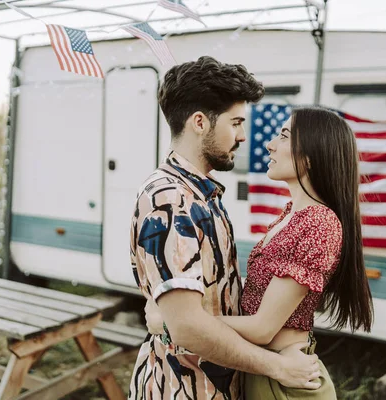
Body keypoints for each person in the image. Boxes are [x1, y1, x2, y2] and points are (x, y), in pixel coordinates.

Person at [128, 56, 322, 400]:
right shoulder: (171, 201)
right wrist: (276, 367)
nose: (244, 136)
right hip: (185, 388)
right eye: (235, 123)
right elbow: (186, 326)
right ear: (200, 122)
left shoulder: (202, 194)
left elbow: (217, 303)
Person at [218, 107, 374, 398]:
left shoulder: (319, 222)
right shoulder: (291, 214)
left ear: (312, 156)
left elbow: (262, 327)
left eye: (284, 136)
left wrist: (185, 321)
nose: (270, 144)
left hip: (285, 381)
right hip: (267, 368)